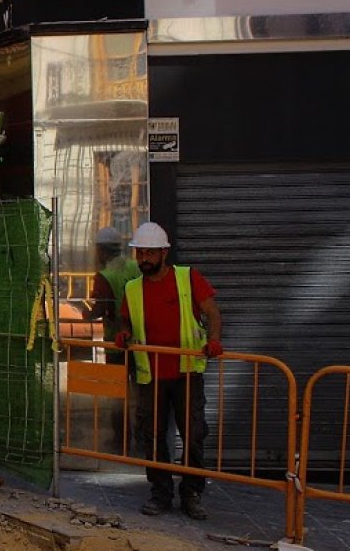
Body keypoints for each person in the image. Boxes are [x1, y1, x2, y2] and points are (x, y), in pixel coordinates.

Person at [114, 221, 223, 521]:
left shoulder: (188, 278)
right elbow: (126, 321)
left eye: (150, 253)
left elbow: (212, 310)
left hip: (186, 371)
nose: (144, 259)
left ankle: (191, 492)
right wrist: (124, 334)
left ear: (164, 253)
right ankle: (160, 492)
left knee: (193, 434)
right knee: (153, 436)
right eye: (140, 253)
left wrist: (214, 340)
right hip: (151, 375)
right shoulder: (132, 288)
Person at [83, 227, 141, 365]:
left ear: (102, 251)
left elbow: (102, 308)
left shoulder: (104, 276)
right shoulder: (136, 267)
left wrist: (88, 315)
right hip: (140, 339)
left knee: (118, 383)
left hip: (117, 341)